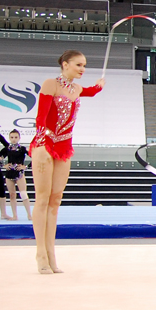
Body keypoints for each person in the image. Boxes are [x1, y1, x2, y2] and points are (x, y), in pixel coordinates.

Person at [30, 50, 105, 274]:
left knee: (56, 199)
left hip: (64, 146)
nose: (82, 69)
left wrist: (99, 85)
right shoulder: (50, 84)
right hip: (46, 142)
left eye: (84, 65)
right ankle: (40, 254)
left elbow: (91, 91)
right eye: (78, 65)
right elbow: (41, 117)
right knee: (42, 199)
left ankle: (52, 254)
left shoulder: (77, 89)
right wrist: (42, 142)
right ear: (65, 64)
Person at [2, 129, 32, 221]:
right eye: (12, 137)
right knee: (12, 195)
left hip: (19, 173)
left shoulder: (22, 149)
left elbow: (34, 157)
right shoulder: (7, 148)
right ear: (9, 138)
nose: (14, 139)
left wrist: (26, 167)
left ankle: (29, 214)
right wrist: (4, 165)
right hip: (9, 173)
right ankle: (15, 215)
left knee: (23, 194)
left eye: (16, 137)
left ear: (19, 138)